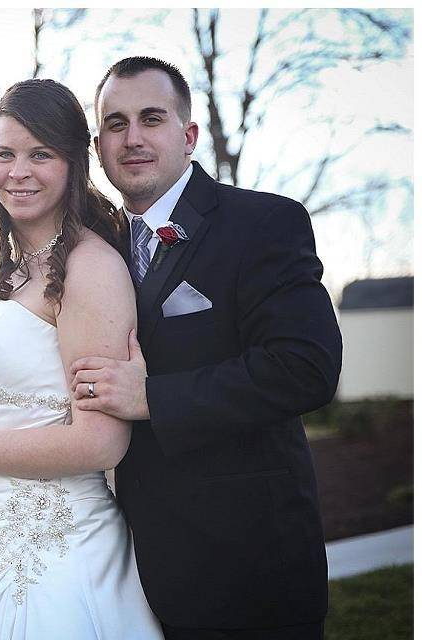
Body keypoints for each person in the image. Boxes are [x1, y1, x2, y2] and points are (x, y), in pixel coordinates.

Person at [69, 56, 343, 639]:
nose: (133, 138)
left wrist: (154, 398)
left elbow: (306, 367)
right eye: (115, 124)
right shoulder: (96, 253)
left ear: (188, 134)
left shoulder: (262, 223)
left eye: (151, 118)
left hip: (249, 577)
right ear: (97, 145)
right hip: (130, 581)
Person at [0, 78, 163, 639]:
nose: (18, 171)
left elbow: (102, 442)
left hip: (57, 556)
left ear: (74, 162)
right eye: (5, 154)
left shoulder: (88, 269)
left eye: (40, 154)